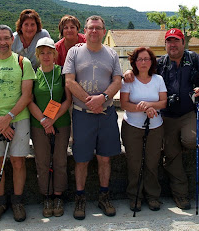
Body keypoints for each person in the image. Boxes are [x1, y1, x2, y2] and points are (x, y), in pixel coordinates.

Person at [124, 28, 199, 210]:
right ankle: (180, 195)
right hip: (167, 117)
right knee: (172, 156)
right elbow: (141, 68)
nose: (172, 45)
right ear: (165, 45)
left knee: (190, 140)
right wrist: (127, 72)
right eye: (169, 42)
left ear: (183, 43)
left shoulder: (194, 58)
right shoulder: (160, 63)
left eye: (176, 41)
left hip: (188, 113)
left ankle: (177, 144)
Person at [63, 15, 122, 220]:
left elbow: (117, 81)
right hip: (82, 114)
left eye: (98, 28)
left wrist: (103, 98)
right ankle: (80, 198)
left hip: (106, 114)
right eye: (91, 28)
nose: (94, 31)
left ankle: (104, 196)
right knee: (81, 159)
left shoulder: (112, 54)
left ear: (104, 31)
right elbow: (70, 81)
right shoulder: (74, 52)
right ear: (85, 31)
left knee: (105, 158)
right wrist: (91, 101)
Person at [0, 25, 36, 222]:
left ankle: (18, 202)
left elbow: (27, 94)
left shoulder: (23, 62)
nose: (2, 42)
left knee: (18, 161)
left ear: (12, 39)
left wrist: (9, 117)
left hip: (18, 118)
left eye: (6, 38)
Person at [28, 37, 72, 217]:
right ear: (37, 55)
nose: (46, 56)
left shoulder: (62, 72)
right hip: (39, 125)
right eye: (42, 53)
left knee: (60, 160)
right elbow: (29, 100)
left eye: (49, 52)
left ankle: (58, 195)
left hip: (60, 123)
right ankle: (46, 195)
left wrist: (51, 120)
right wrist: (44, 121)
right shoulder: (32, 74)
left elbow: (68, 99)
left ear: (55, 54)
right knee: (42, 161)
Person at [120, 47, 167, 212]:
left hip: (155, 127)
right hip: (132, 127)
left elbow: (163, 102)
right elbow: (124, 104)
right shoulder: (128, 81)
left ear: (152, 61)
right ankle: (135, 197)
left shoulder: (158, 79)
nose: (143, 62)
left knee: (152, 163)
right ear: (134, 62)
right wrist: (144, 109)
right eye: (140, 59)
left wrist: (149, 106)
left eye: (147, 59)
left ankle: (153, 196)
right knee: (134, 163)